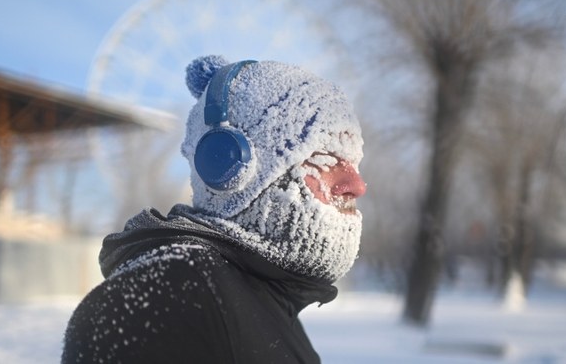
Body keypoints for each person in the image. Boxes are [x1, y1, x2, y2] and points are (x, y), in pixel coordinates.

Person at [62, 55, 367, 364]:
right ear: (232, 168)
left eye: (354, 162)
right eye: (326, 158)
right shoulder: (169, 299)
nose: (357, 184)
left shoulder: (259, 299)